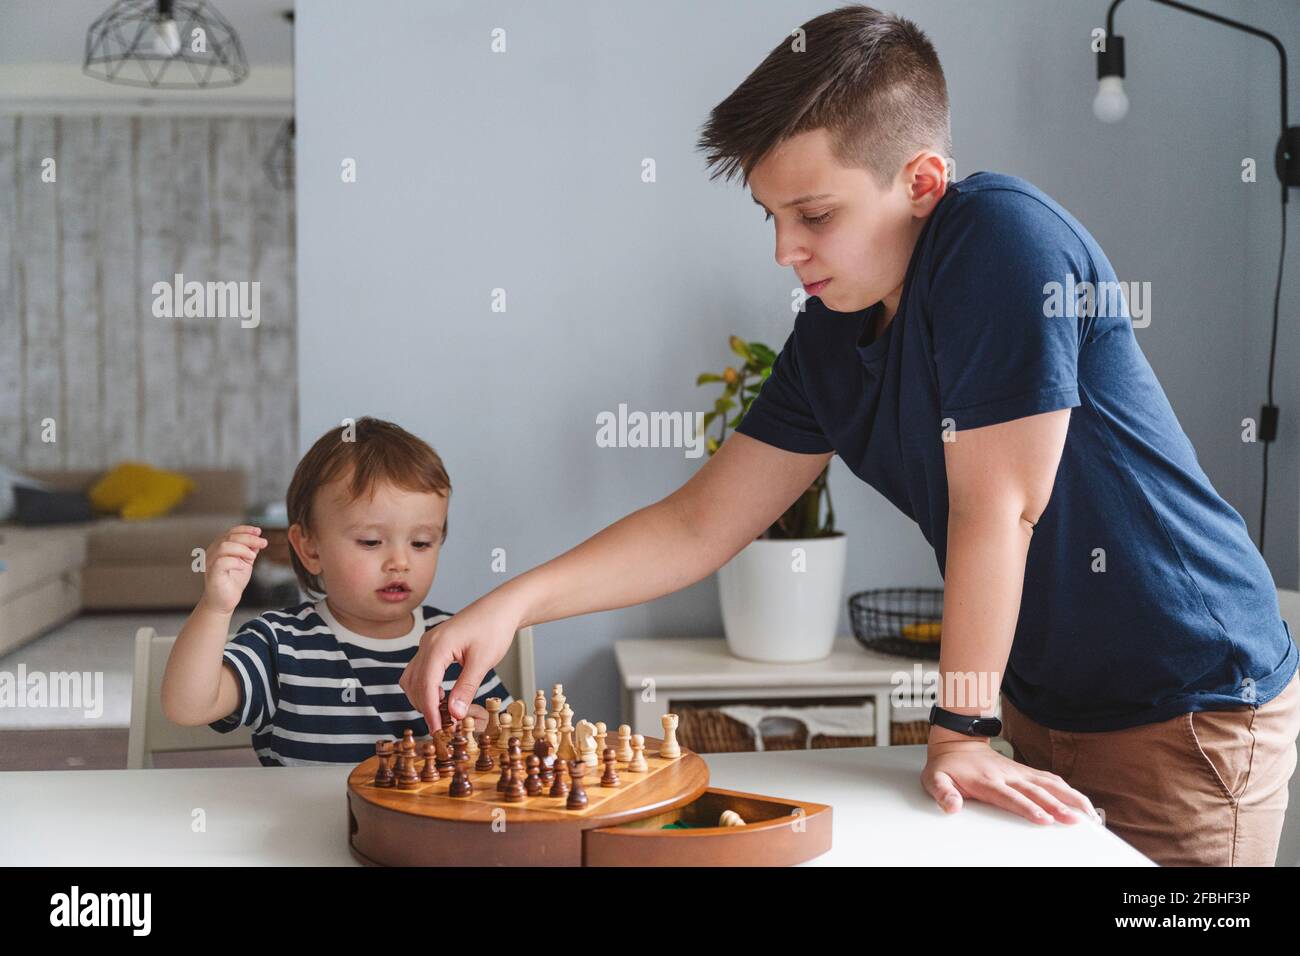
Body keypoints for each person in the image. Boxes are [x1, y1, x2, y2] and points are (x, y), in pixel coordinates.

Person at [400, 5, 1299, 865]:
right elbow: (698, 525)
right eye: (772, 218)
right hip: (1039, 703)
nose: (784, 251)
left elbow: (1001, 510)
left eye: (815, 216)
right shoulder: (832, 332)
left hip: (1191, 702)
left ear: (921, 183)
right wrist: (510, 605)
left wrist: (957, 733)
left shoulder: (1002, 242)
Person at [162, 417, 513, 765]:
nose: (399, 562)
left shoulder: (453, 641)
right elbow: (188, 706)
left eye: (422, 543)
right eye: (371, 541)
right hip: (302, 821)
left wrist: (489, 732)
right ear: (310, 549)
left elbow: (510, 732)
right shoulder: (279, 643)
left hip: (420, 822)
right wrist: (216, 608)